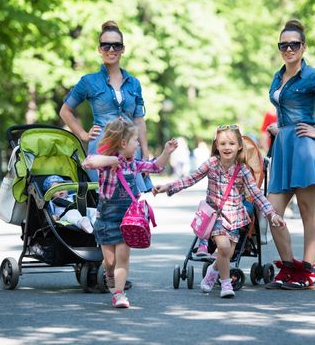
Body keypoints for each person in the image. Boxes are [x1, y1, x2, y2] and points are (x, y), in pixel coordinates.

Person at [153, 125, 287, 298]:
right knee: (223, 247)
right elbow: (190, 179)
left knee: (227, 253)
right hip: (215, 215)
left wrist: (272, 214)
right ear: (217, 145)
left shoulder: (243, 170)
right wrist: (167, 187)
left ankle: (212, 272)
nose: (227, 147)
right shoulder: (212, 164)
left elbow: (256, 194)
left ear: (239, 146)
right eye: (222, 143)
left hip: (235, 217)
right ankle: (225, 284)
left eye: (231, 143)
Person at [265, 19, 315, 290]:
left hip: (304, 148)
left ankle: (308, 272)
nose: (288, 49)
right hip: (283, 147)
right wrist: (281, 126)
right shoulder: (278, 76)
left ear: (303, 46)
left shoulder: (313, 76)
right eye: (283, 45)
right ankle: (290, 268)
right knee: (271, 211)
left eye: (294, 44)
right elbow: (283, 106)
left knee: (306, 211)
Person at [83, 118, 178, 308]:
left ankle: (119, 294)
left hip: (128, 220)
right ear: (124, 143)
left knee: (123, 257)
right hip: (107, 218)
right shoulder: (106, 163)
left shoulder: (133, 164)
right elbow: (89, 162)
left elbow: (155, 167)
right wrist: (112, 160)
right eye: (135, 141)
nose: (137, 145)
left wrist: (166, 152)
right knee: (109, 261)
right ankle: (108, 273)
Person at [59, 20, 152, 192]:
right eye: (106, 45)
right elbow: (65, 111)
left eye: (116, 46)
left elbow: (139, 120)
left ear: (123, 49)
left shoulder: (134, 83)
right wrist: (83, 134)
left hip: (131, 151)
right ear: (99, 49)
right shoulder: (89, 81)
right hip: (102, 151)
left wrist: (145, 152)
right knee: (107, 203)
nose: (111, 50)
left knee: (130, 203)